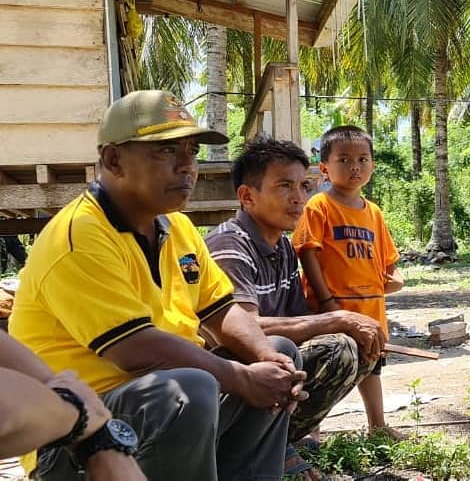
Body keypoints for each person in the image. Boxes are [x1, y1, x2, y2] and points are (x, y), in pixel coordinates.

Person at [10, 90, 308, 481]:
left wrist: (264, 358)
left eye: (192, 152)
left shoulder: (176, 227)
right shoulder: (79, 235)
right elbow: (134, 350)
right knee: (189, 390)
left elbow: (221, 310)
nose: (187, 166)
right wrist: (239, 378)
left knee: (275, 351)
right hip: (75, 433)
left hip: (147, 413)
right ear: (113, 159)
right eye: (167, 151)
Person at [205, 136, 385, 478]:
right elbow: (243, 328)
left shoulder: (284, 249)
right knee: (334, 349)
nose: (299, 197)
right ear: (247, 196)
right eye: (284, 186)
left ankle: (282, 440)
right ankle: (260, 446)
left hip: (265, 369)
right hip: (225, 378)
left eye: (303, 186)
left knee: (358, 347)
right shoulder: (230, 244)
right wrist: (339, 318)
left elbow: (297, 319)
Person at [293, 125, 405, 434]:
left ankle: (378, 424)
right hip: (333, 310)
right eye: (344, 160)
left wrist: (396, 279)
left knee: (372, 367)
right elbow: (307, 252)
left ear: (372, 164)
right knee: (326, 368)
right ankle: (309, 432)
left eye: (362, 159)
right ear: (325, 168)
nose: (354, 167)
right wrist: (327, 301)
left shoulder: (374, 213)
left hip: (371, 310)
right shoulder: (319, 206)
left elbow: (388, 262)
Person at [0, 331, 145, 480]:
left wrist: (95, 430)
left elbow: (55, 384)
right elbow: (7, 413)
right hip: (51, 445)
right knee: (164, 389)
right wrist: (79, 416)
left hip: (79, 423)